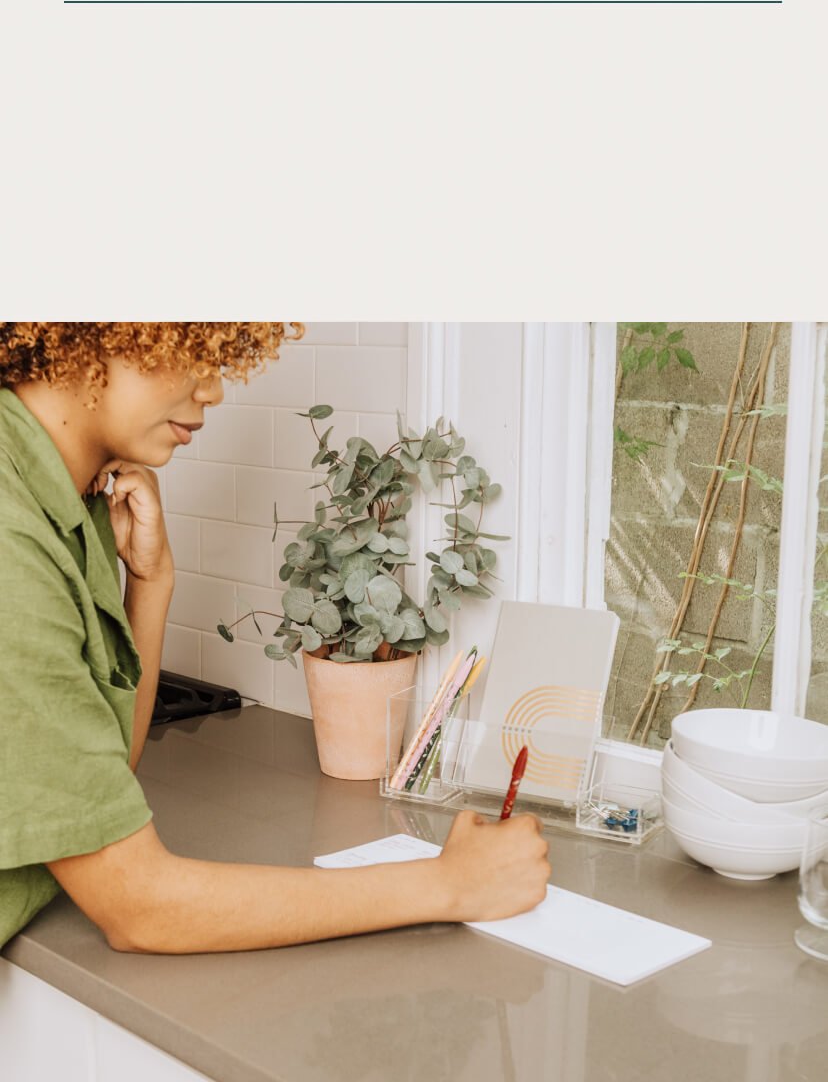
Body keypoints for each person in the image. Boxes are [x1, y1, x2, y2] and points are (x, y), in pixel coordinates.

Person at [0, 322, 551, 954]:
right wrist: (451, 885)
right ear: (83, 333)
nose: (212, 390)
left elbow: (94, 788)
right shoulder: (11, 535)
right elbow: (138, 904)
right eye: (190, 352)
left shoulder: (77, 493)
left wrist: (151, 581)